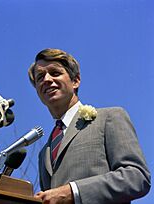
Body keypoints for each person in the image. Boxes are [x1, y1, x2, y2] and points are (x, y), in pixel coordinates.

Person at [28, 48, 151, 204]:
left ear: (75, 81)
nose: (46, 79)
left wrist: (73, 192)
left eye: (55, 73)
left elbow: (136, 177)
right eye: (40, 77)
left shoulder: (109, 117)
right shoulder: (43, 153)